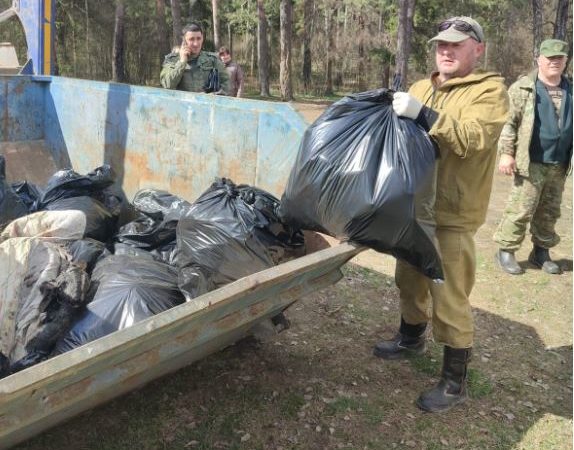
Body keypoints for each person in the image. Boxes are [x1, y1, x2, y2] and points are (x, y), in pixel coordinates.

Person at [374, 17, 509, 412]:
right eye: (440, 46)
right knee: (409, 276)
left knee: (448, 293)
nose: (446, 52)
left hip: (452, 212)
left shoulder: (490, 92)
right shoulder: (420, 86)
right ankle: (410, 336)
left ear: (477, 49)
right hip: (412, 204)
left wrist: (425, 115)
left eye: (456, 45)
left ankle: (454, 381)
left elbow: (473, 139)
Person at [493, 39, 572, 275]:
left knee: (549, 210)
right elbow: (509, 123)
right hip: (531, 161)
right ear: (539, 59)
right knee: (521, 208)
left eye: (559, 58)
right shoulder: (524, 88)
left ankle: (540, 253)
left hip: (559, 163)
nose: (554, 62)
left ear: (565, 61)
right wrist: (507, 153)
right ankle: (506, 251)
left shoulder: (570, 88)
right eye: (550, 58)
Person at [160, 22, 229, 95]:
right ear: (184, 41)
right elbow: (167, 85)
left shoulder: (212, 60)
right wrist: (182, 62)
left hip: (207, 104)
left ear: (202, 39)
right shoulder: (172, 60)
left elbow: (227, 83)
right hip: (182, 105)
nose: (196, 43)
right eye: (191, 39)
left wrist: (212, 95)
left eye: (199, 38)